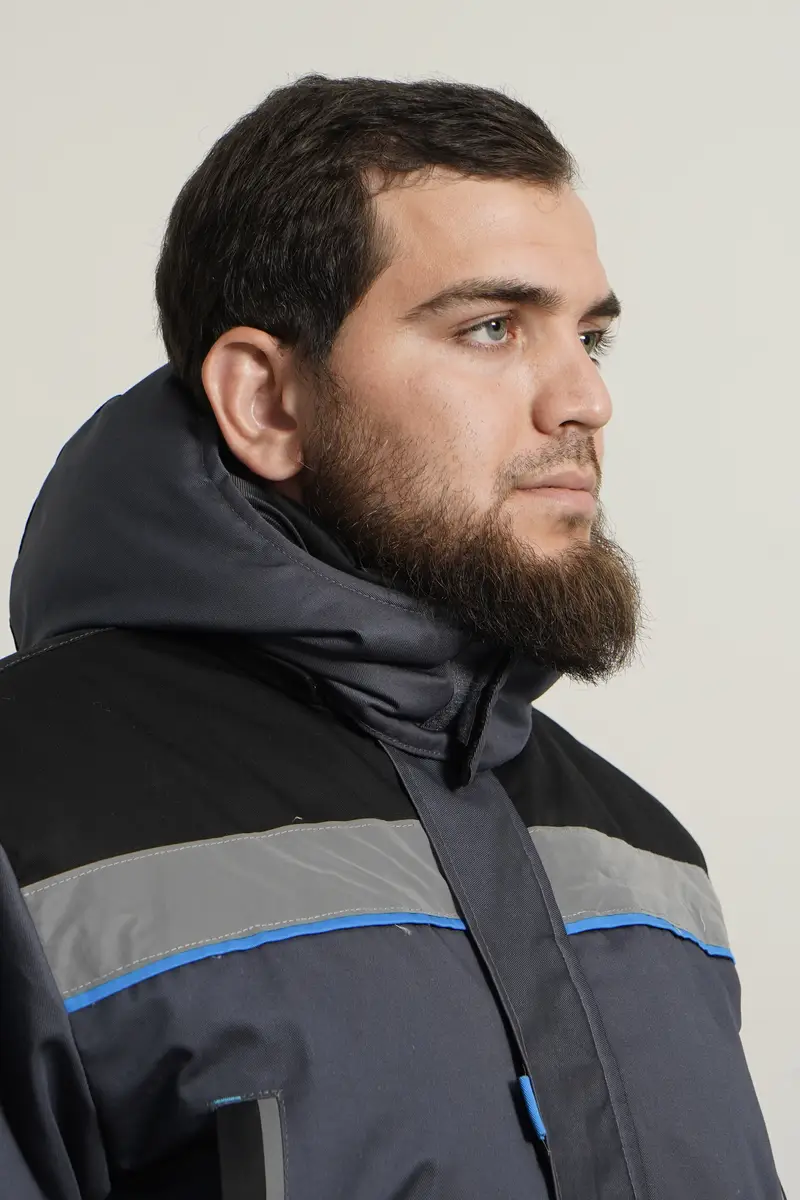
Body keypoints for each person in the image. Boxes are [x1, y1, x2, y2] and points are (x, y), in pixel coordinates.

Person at [0, 73, 783, 1200]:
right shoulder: (26, 817)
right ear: (267, 402)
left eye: (590, 339)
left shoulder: (643, 858)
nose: (583, 401)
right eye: (491, 328)